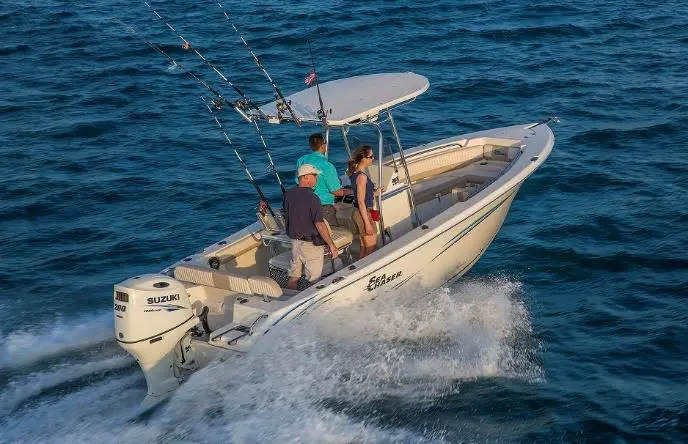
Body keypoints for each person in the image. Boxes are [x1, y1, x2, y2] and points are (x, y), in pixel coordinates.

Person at [283, 164, 339, 290]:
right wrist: (331, 244)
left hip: (295, 243)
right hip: (310, 246)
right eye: (314, 175)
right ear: (306, 177)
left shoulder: (288, 195)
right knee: (314, 281)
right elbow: (319, 224)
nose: (316, 178)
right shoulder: (313, 198)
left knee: (294, 277)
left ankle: (290, 297)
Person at [296, 133, 351, 226]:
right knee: (330, 231)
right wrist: (353, 191)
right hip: (323, 209)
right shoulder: (327, 166)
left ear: (310, 145)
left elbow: (298, 182)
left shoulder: (301, 160)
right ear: (323, 146)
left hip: (304, 205)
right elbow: (336, 192)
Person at [347, 145, 378, 259]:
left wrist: (375, 192)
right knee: (371, 249)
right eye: (371, 157)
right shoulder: (362, 177)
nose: (373, 158)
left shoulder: (354, 174)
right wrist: (367, 224)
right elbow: (361, 201)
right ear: (363, 159)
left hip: (358, 212)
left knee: (364, 247)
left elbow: (363, 195)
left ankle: (359, 265)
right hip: (364, 214)